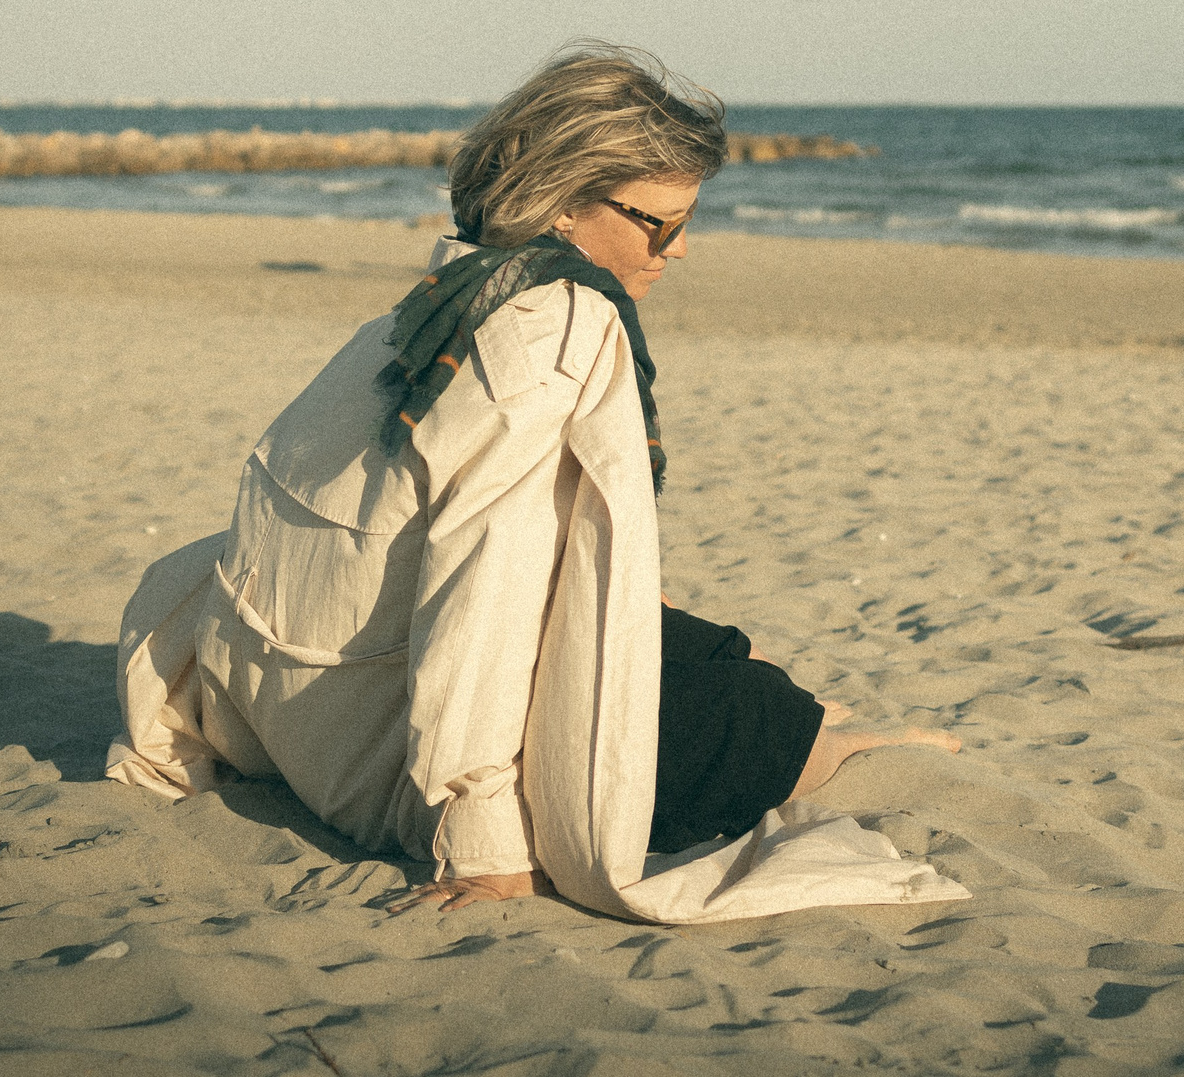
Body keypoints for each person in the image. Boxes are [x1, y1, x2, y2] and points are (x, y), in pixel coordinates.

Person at [107, 45, 964, 924]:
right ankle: (846, 745)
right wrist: (485, 836)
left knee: (699, 644)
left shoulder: (451, 292)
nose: (678, 249)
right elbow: (484, 582)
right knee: (745, 713)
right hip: (380, 757)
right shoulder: (554, 327)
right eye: (659, 223)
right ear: (561, 198)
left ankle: (806, 717)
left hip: (286, 718)